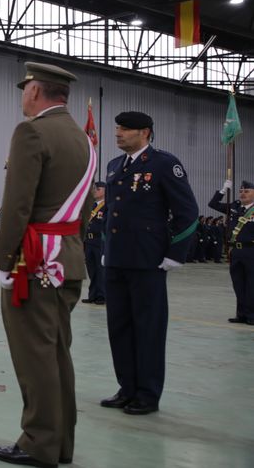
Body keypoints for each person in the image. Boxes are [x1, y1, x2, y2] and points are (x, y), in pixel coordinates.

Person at [0, 62, 96, 468]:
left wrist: (1, 261)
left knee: (34, 356)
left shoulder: (31, 132)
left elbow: (17, 205)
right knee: (56, 353)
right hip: (67, 259)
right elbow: (83, 208)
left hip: (33, 262)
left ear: (35, 91)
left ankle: (38, 442)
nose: (22, 95)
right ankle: (59, 442)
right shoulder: (84, 140)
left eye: (25, 88)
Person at [101, 111, 198, 416]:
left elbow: (188, 212)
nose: (118, 133)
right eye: (117, 127)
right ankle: (127, 387)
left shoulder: (164, 164)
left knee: (148, 329)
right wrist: (107, 248)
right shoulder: (115, 165)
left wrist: (174, 254)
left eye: (125, 129)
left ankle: (147, 393)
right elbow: (111, 214)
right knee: (119, 328)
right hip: (117, 260)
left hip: (148, 262)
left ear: (145, 133)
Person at [209, 179, 254, 323]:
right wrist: (222, 191)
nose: (242, 194)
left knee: (251, 284)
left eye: (246, 191)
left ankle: (251, 315)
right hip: (236, 251)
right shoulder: (235, 206)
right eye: (241, 191)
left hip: (251, 251)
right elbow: (213, 204)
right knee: (238, 283)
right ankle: (241, 314)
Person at [81, 182, 106, 305]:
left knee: (100, 269)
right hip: (89, 241)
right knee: (92, 270)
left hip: (100, 241)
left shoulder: (107, 206)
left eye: (98, 189)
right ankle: (93, 295)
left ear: (105, 191)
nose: (95, 191)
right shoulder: (91, 206)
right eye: (94, 188)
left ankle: (102, 295)